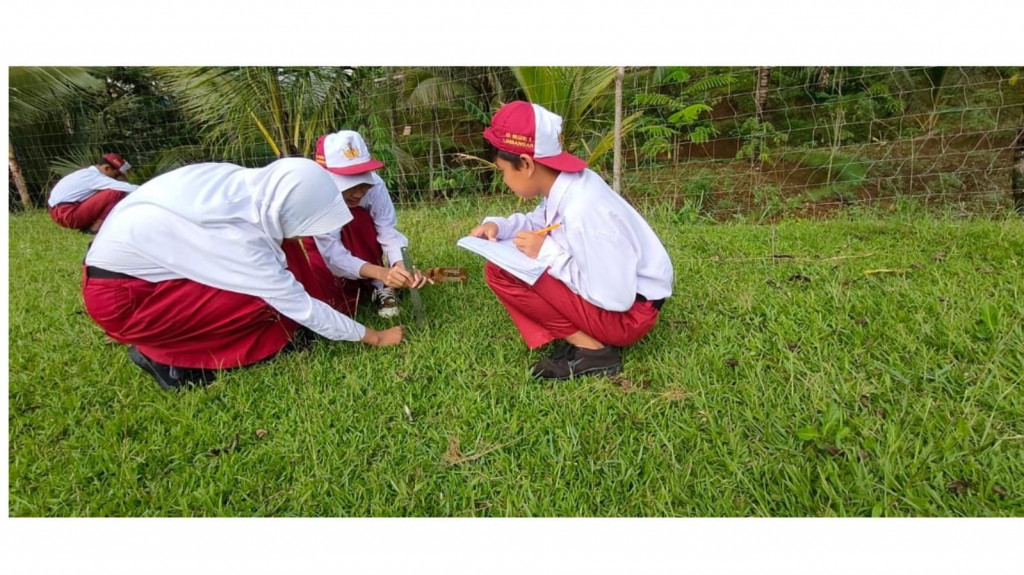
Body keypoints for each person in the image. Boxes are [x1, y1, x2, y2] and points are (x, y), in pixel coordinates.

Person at [82, 158, 404, 391]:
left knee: (283, 261)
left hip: (135, 268)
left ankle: (283, 335)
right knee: (261, 301)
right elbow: (298, 304)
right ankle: (173, 365)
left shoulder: (248, 187)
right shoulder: (243, 238)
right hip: (123, 297)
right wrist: (375, 337)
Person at [468, 101, 674, 380]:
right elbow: (540, 221)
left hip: (629, 316)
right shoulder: (566, 185)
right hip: (626, 300)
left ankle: (594, 351)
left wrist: (547, 254)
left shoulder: (583, 210)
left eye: (503, 171)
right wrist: (498, 226)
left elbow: (615, 297)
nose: (504, 180)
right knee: (501, 266)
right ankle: (588, 342)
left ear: (526, 164)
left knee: (503, 272)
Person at [310, 130, 421, 317]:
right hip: (322, 252)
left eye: (363, 182)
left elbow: (387, 230)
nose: (359, 193)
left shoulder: (376, 186)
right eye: (349, 185)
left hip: (361, 243)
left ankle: (380, 288)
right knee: (334, 307)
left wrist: (400, 264)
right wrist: (383, 272)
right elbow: (332, 254)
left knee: (359, 220)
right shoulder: (318, 197)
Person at [47, 153, 139, 233]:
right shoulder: (94, 177)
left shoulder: (85, 173)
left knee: (109, 192)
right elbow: (128, 188)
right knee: (115, 193)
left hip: (59, 212)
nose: (115, 178)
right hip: (67, 214)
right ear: (107, 168)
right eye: (116, 175)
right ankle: (96, 227)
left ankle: (92, 225)